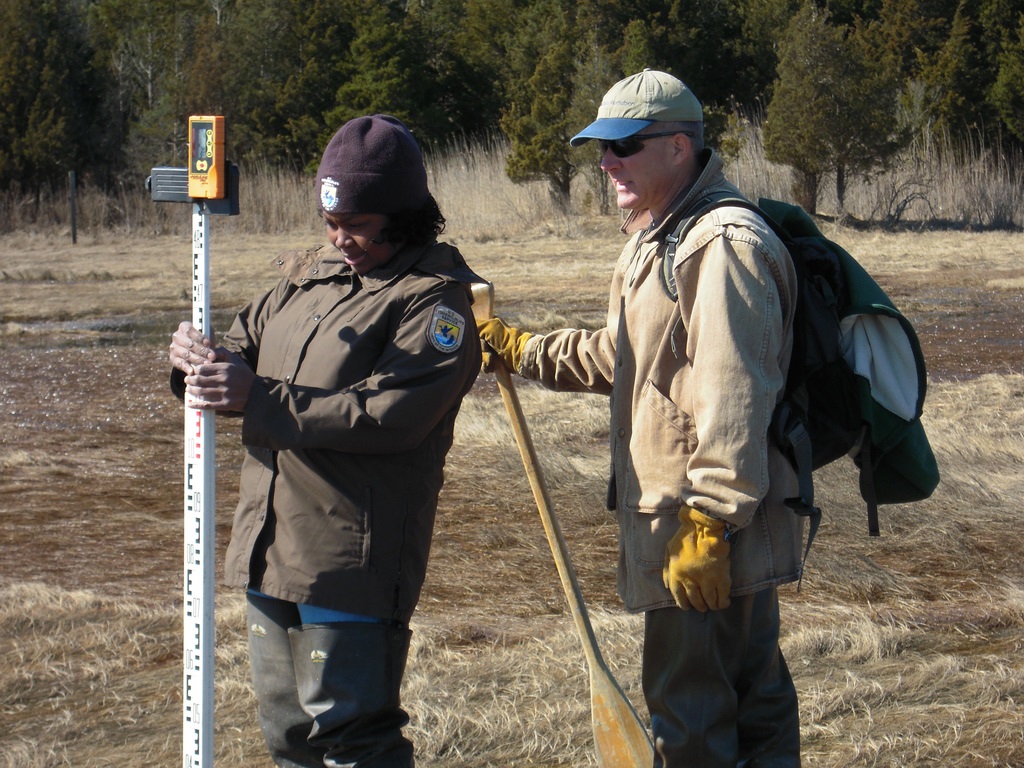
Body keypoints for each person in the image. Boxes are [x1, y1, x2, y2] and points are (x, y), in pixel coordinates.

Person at [478, 69, 804, 766]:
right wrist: (525, 349)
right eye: (601, 147)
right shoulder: (659, 237)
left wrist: (710, 521)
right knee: (744, 701)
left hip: (704, 529)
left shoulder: (721, 244)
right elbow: (629, 358)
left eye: (624, 145)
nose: (606, 162)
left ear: (680, 147)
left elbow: (735, 390)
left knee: (695, 716)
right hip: (692, 522)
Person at [168, 114, 482, 767]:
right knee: (288, 736)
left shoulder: (435, 301)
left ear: (404, 216)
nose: (342, 240)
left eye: (360, 226)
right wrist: (195, 364)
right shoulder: (305, 278)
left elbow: (391, 415)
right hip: (269, 548)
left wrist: (258, 397)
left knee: (351, 738)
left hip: (349, 562)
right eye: (331, 224)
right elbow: (241, 347)